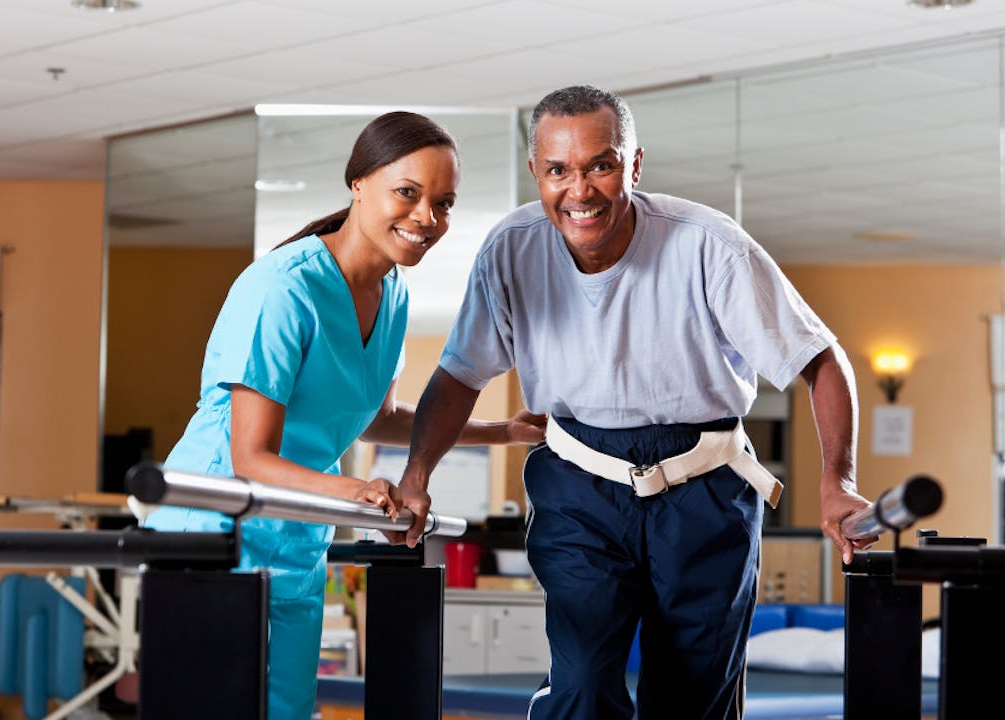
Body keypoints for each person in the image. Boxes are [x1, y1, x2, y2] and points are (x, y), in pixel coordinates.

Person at [395, 86, 878, 720]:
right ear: (536, 172)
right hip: (579, 484)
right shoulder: (511, 248)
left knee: (691, 696)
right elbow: (459, 376)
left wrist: (837, 480)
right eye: (559, 170)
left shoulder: (707, 244)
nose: (580, 189)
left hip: (706, 486)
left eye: (601, 164)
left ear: (635, 164)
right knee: (583, 685)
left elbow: (820, 361)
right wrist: (416, 476)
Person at [143, 110, 545, 720]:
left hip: (296, 534)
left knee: (289, 711)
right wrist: (360, 491)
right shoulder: (281, 289)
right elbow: (251, 455)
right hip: (215, 532)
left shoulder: (393, 295)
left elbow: (375, 416)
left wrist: (503, 431)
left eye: (444, 202)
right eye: (407, 193)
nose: (427, 219)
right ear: (359, 183)